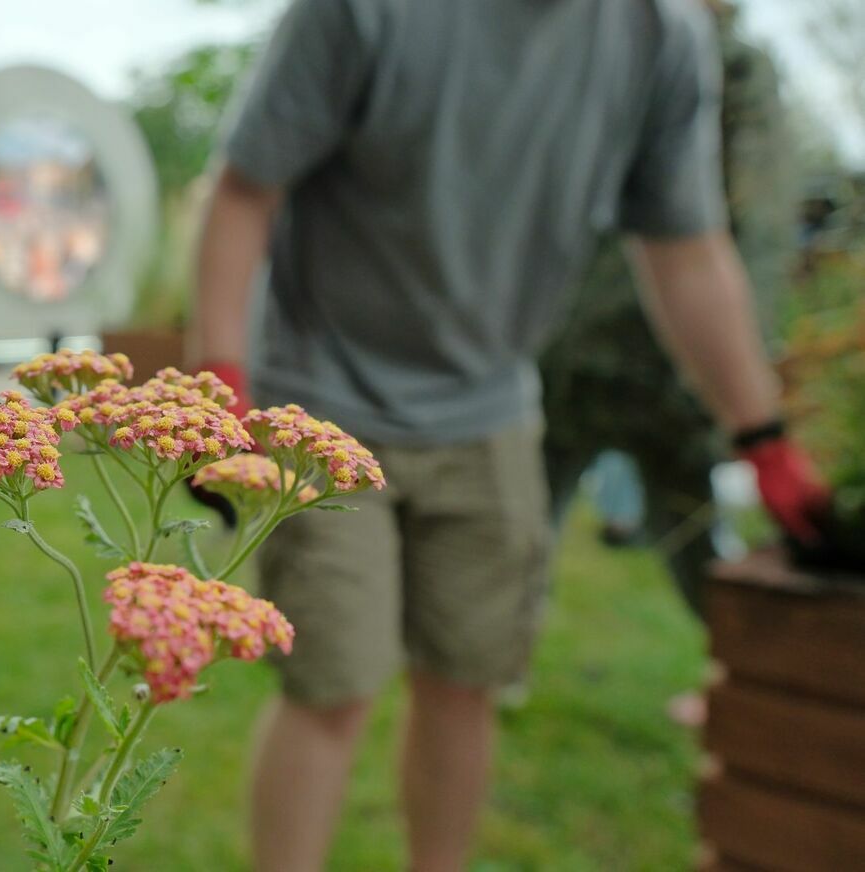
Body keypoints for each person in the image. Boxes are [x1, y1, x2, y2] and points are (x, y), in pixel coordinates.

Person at [188, 1, 831, 869]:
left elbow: (688, 253)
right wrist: (219, 386)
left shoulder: (660, 39)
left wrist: (764, 439)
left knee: (467, 681)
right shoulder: (361, 12)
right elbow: (244, 190)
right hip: (324, 405)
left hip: (489, 412)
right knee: (332, 689)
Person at [540, 0, 800, 617]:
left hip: (670, 365)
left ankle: (746, 675)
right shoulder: (608, 43)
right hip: (570, 350)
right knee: (516, 530)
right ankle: (493, 666)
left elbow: (757, 223)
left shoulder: (735, 72)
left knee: (696, 542)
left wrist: (742, 379)